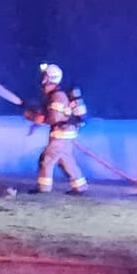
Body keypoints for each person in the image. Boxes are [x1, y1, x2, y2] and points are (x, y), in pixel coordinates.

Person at [33, 62, 87, 194]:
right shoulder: (56, 95)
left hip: (61, 134)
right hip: (65, 133)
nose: (42, 80)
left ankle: (43, 188)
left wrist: (38, 119)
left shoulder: (57, 96)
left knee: (46, 159)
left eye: (44, 77)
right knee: (65, 161)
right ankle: (80, 186)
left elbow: (54, 118)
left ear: (50, 78)